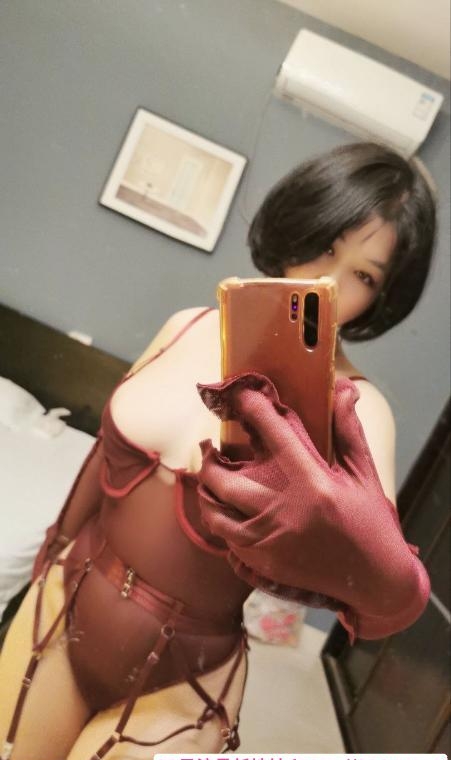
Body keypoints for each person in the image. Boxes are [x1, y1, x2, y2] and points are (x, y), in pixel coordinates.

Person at [0, 142, 436, 760]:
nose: (327, 282)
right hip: (61, 608)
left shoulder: (360, 411)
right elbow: (100, 463)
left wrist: (331, 518)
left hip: (185, 685)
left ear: (383, 298)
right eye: (324, 244)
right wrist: (48, 557)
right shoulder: (186, 326)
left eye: (363, 276)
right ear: (297, 223)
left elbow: (385, 598)